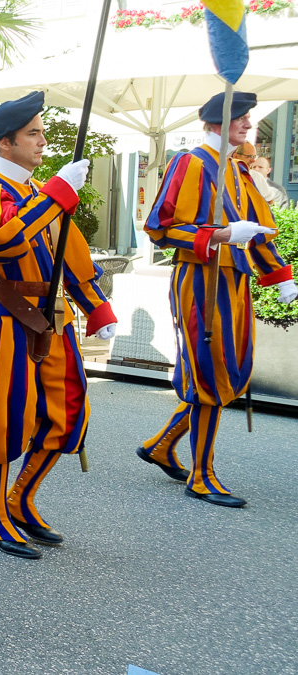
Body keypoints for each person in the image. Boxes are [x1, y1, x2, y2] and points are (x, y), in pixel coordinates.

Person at [0, 91, 117, 560]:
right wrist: (58, 194)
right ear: (6, 144)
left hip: (53, 318)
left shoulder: (36, 192)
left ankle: (20, 497)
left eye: (42, 132)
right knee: (6, 417)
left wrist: (97, 307)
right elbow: (1, 239)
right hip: (5, 317)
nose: (43, 141)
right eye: (34, 134)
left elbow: (70, 256)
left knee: (67, 413)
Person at [137, 91, 296, 508]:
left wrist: (280, 278)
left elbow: (260, 231)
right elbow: (160, 227)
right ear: (215, 124)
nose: (249, 126)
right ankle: (202, 475)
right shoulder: (189, 163)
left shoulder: (238, 171)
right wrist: (222, 235)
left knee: (228, 370)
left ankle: (161, 446)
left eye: (248, 119)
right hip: (200, 280)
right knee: (210, 371)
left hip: (234, 282)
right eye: (241, 119)